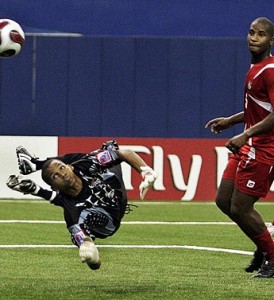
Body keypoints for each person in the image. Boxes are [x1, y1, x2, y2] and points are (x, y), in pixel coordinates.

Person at [6, 140, 158, 270]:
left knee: (109, 148)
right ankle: (34, 168)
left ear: (69, 167)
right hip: (109, 220)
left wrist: (147, 172)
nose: (62, 173)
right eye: (55, 176)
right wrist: (91, 254)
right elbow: (95, 264)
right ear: (54, 187)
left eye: (62, 167)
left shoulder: (84, 165)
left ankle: (34, 165)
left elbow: (125, 153)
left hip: (116, 193)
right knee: (84, 219)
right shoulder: (73, 216)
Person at [205, 17, 274, 278]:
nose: (254, 37)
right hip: (251, 145)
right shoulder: (255, 67)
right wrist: (230, 121)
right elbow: (257, 109)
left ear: (271, 41)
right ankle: (264, 243)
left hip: (265, 148)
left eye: (261, 34)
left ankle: (271, 255)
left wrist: (244, 135)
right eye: (251, 32)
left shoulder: (270, 70)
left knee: (241, 208)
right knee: (224, 200)